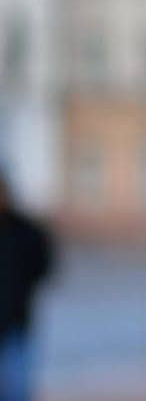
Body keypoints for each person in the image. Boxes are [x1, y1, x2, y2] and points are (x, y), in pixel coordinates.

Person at [0, 170, 53, 401]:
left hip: (16, 323)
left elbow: (44, 266)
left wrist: (21, 289)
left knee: (18, 390)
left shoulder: (25, 231)